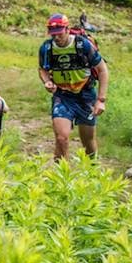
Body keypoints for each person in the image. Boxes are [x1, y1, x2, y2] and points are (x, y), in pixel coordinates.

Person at [38, 14, 109, 161]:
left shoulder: (83, 45)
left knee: (88, 142)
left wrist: (101, 100)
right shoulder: (46, 48)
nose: (56, 37)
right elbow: (42, 69)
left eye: (59, 33)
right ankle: (60, 178)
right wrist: (46, 81)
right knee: (61, 138)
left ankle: (92, 172)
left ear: (67, 29)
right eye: (53, 34)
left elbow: (102, 70)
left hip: (86, 96)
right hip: (62, 96)